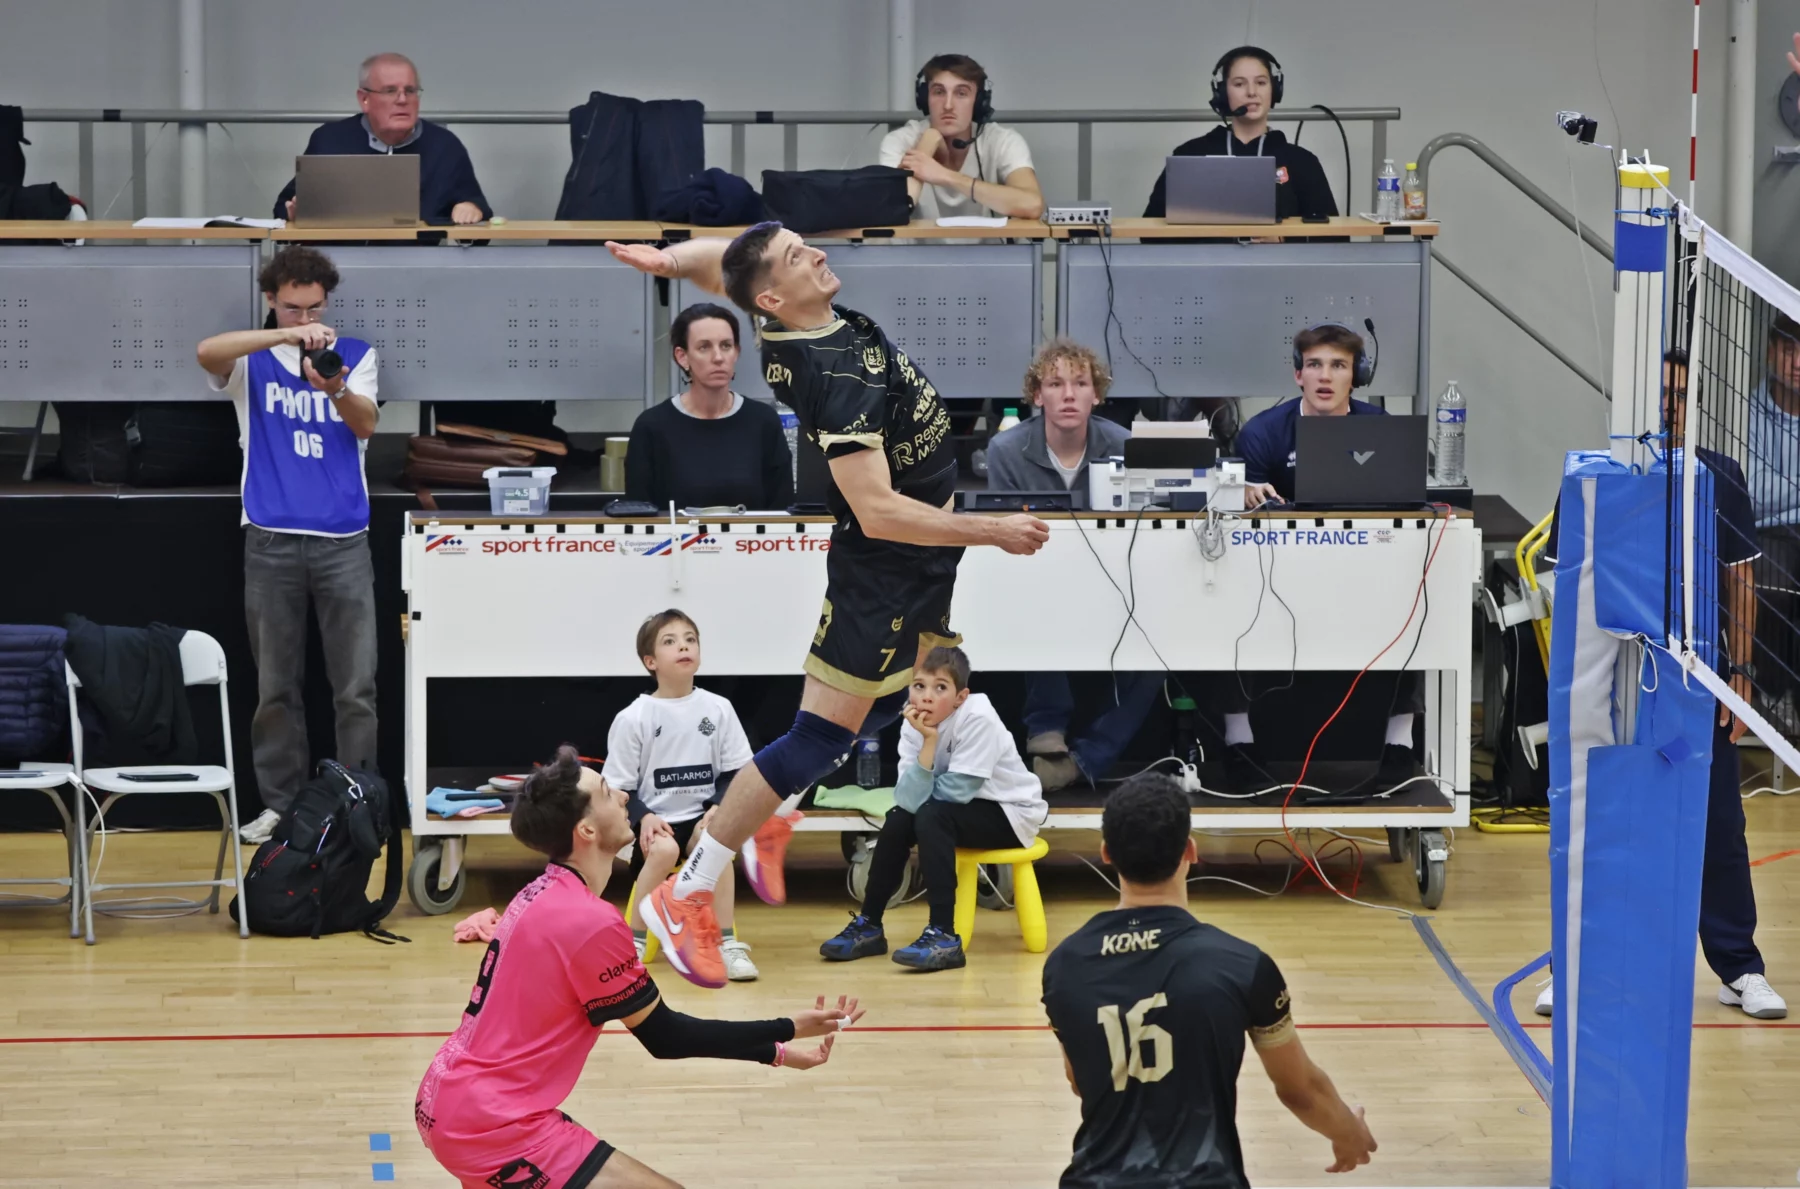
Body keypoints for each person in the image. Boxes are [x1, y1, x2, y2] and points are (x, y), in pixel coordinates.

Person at [605, 223, 1049, 989]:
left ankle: (770, 811)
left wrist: (673, 259)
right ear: (776, 296)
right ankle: (686, 891)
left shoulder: (778, 309)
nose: (815, 251)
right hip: (887, 566)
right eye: (797, 255)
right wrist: (993, 530)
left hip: (921, 563)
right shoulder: (831, 373)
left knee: (905, 708)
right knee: (814, 739)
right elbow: (876, 509)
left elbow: (735, 263)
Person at [415, 746, 860, 1189]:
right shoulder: (588, 921)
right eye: (609, 792)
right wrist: (784, 1030)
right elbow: (666, 1037)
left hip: (449, 1099)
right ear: (586, 829)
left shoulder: (540, 893)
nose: (626, 797)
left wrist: (776, 1049)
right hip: (493, 1125)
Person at [1538, 349, 1786, 1020]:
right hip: (1610, 680)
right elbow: (1566, 583)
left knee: (1718, 830)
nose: (1669, 405)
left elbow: (1740, 577)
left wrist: (1740, 676)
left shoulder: (1720, 477)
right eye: (1660, 393)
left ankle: (1740, 968)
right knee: (1595, 819)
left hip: (1694, 680)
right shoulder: (1593, 476)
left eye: (1681, 393)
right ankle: (1572, 963)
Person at [1042, 774, 1377, 1184]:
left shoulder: (1065, 965)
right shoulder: (1240, 963)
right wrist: (1349, 1132)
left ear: (1107, 853)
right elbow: (1300, 1088)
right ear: (1190, 851)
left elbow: (1082, 1082)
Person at [196, 246, 380, 844]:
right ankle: (281, 806)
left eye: (315, 308)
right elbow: (206, 353)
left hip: (342, 538)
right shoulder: (252, 359)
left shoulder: (353, 355)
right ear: (272, 301)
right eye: (293, 307)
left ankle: (356, 805)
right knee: (276, 686)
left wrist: (333, 387)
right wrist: (273, 336)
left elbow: (367, 423)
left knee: (355, 687)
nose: (305, 319)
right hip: (271, 535)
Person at [1225, 322, 1419, 793]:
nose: (1325, 376)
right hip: (1275, 569)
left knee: (1416, 599)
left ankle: (1401, 740)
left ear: (1356, 376)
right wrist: (1245, 491)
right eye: (1314, 365)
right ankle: (1237, 737)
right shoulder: (1264, 432)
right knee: (1224, 600)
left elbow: (1406, 503)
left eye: (1338, 366)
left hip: (1364, 567)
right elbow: (1231, 507)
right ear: (1298, 376)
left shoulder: (1383, 431)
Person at [987, 339, 1160, 789]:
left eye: (1080, 383)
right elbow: (1007, 538)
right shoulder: (1006, 449)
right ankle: (1046, 726)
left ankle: (1080, 763)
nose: (1068, 394)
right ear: (1036, 394)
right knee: (1039, 606)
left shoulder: (1125, 444)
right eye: (1055, 383)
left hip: (1113, 587)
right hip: (1035, 581)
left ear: (1096, 395)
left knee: (1159, 653)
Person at [820, 645, 1048, 971]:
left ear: (960, 696)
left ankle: (943, 934)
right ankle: (870, 925)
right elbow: (907, 801)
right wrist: (928, 742)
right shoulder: (914, 725)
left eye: (940, 688)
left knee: (931, 814)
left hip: (1012, 813)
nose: (926, 696)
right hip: (958, 810)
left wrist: (920, 786)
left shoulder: (978, 717)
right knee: (899, 818)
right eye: (919, 686)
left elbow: (958, 790)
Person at [607, 610, 759, 982]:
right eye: (670, 641)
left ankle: (726, 945)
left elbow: (738, 771)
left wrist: (717, 808)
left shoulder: (718, 708)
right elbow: (618, 790)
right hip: (653, 824)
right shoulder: (634, 717)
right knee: (664, 850)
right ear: (651, 661)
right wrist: (643, 817)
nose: (683, 646)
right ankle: (636, 940)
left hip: (701, 817)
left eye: (690, 639)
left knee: (718, 842)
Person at [273, 52, 491, 225]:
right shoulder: (329, 139)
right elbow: (282, 207)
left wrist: (472, 210)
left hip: (418, 269)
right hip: (335, 269)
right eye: (390, 91)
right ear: (364, 99)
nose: (403, 99)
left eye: (410, 90)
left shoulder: (445, 146)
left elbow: (480, 211)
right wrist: (293, 212)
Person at [625, 303, 793, 511]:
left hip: (749, 543)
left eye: (726, 346)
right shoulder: (652, 426)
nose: (718, 358)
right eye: (704, 347)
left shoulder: (763, 421)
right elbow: (637, 516)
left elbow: (783, 511)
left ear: (736, 353)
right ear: (682, 357)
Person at [1143, 46, 1337, 222]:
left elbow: (1335, 238)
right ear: (1222, 93)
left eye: (1261, 82)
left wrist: (1283, 239)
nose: (1251, 92)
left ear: (1275, 90)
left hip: (1277, 261)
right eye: (1239, 84)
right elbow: (1150, 231)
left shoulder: (1303, 161)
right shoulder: (1190, 154)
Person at [878, 53, 1043, 221]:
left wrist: (945, 176)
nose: (948, 105)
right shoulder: (900, 141)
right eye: (939, 92)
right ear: (925, 98)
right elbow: (889, 210)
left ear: (979, 102)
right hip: (915, 249)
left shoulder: (1003, 141)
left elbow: (1032, 205)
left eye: (961, 93)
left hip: (993, 248)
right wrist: (929, 141)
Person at [1743, 313, 1800, 724]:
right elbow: (1754, 493)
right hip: (1765, 535)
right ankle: (1774, 695)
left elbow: (1768, 486)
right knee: (1771, 582)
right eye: (1788, 349)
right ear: (1770, 354)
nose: (1797, 361)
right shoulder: (1748, 411)